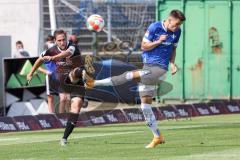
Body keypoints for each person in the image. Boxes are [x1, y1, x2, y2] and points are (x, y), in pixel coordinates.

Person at [69, 10, 186, 148]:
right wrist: (158, 41)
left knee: (129, 75)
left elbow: (173, 49)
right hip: (148, 66)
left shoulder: (177, 32)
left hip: (159, 69)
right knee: (145, 107)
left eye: (180, 25)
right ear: (169, 20)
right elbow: (144, 46)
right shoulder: (155, 28)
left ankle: (93, 83)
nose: (177, 27)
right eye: (176, 24)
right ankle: (157, 136)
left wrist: (172, 64)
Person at [27, 29, 92, 146]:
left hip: (77, 80)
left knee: (76, 107)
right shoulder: (51, 50)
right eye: (59, 40)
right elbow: (40, 59)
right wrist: (31, 72)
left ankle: (64, 138)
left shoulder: (73, 47)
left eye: (64, 40)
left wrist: (53, 58)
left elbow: (67, 53)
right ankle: (64, 138)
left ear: (66, 39)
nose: (62, 42)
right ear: (55, 41)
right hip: (65, 80)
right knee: (67, 95)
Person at [38, 35, 70, 113]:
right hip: (50, 78)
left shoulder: (60, 52)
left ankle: (61, 116)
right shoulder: (44, 53)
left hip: (60, 77)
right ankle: (51, 116)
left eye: (52, 42)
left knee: (64, 98)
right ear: (46, 43)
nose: (51, 43)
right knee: (50, 98)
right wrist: (46, 72)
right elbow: (37, 67)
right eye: (49, 42)